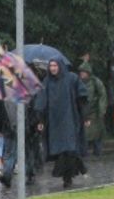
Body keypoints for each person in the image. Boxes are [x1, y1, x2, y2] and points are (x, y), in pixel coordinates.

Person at [34, 56, 87, 188]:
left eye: (55, 66)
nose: (53, 68)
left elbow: (82, 95)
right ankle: (68, 175)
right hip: (54, 121)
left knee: (69, 148)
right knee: (61, 151)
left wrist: (84, 115)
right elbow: (41, 101)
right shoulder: (47, 82)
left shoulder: (71, 78)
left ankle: (68, 176)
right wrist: (40, 119)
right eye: (51, 66)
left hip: (70, 118)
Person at [78, 63, 106, 157]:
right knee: (84, 134)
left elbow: (102, 95)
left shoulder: (95, 82)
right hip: (83, 112)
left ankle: (98, 152)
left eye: (84, 72)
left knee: (97, 134)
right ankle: (84, 153)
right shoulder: (78, 82)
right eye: (81, 72)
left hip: (95, 112)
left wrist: (101, 110)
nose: (82, 74)